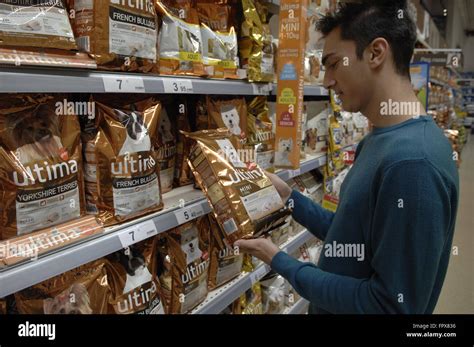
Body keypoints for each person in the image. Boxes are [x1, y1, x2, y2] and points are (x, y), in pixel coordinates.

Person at [235, 0, 459, 314]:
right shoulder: (380, 139)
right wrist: (291, 199)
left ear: (376, 53)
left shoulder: (413, 164)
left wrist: (281, 261)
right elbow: (351, 235)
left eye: (333, 63)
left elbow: (389, 306)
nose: (326, 80)